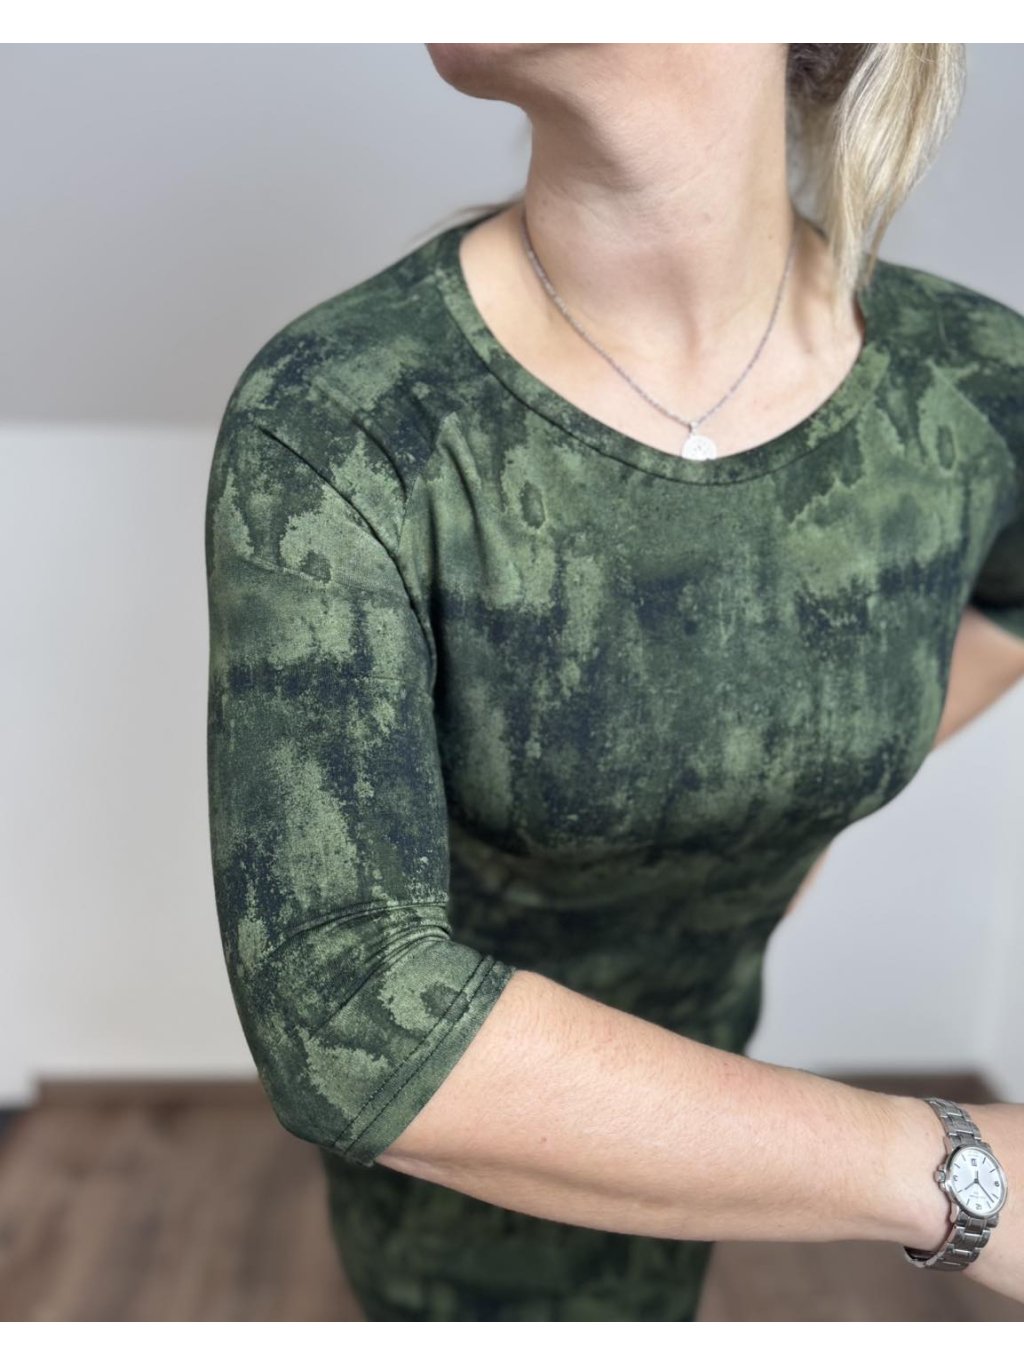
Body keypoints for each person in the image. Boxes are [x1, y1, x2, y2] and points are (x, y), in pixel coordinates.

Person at [204, 43, 1024, 1320]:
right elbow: (345, 1016)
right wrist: (950, 1173)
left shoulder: (973, 386)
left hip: (719, 1105)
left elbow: (1007, 607)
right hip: (466, 1169)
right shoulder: (346, 417)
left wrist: (772, 819)